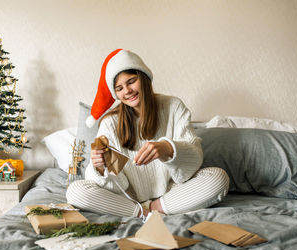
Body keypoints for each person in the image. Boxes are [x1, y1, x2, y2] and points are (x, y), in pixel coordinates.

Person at [67, 49, 229, 218]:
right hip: (128, 198)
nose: (127, 91)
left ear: (144, 78)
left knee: (218, 177)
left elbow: (193, 163)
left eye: (131, 81)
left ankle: (155, 208)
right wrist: (100, 168)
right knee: (76, 191)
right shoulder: (109, 123)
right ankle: (140, 212)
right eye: (119, 88)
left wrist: (168, 149)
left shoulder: (173, 107)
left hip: (171, 192)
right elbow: (117, 185)